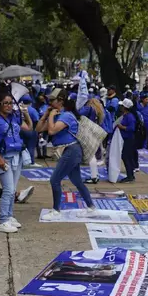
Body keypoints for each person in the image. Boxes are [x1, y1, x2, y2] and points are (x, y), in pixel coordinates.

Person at [36, 89, 97, 221]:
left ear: (61, 101)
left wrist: (51, 115)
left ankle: (56, 210)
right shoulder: (58, 115)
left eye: (52, 100)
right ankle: (91, 207)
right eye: (49, 100)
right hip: (69, 151)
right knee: (77, 181)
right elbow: (39, 129)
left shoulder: (67, 116)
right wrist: (46, 115)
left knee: (54, 180)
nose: (49, 103)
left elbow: (51, 131)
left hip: (71, 150)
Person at [0, 92, 33, 232]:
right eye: (6, 103)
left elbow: (29, 128)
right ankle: (3, 220)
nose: (9, 106)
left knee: (12, 189)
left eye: (11, 103)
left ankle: (9, 216)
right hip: (4, 158)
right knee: (9, 189)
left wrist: (26, 113)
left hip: (17, 156)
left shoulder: (14, 117)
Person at [80, 98, 106, 184]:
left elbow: (79, 113)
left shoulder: (89, 108)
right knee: (93, 154)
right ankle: (95, 175)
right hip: (96, 131)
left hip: (88, 131)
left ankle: (94, 176)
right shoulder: (99, 110)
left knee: (91, 155)